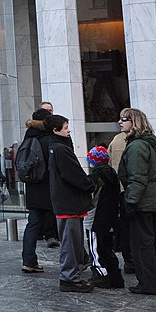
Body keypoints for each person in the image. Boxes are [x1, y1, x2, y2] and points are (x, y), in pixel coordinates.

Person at [117, 108, 156, 295]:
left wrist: (131, 201)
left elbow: (137, 176)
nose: (120, 122)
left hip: (145, 201)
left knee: (144, 244)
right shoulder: (146, 143)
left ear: (134, 121)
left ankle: (149, 283)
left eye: (124, 119)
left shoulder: (137, 146)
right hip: (154, 199)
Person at [46, 114, 94, 292]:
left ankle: (72, 274)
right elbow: (73, 174)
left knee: (73, 240)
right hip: (68, 202)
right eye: (66, 128)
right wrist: (90, 184)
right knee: (70, 241)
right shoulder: (59, 149)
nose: (69, 131)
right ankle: (69, 277)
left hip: (67, 201)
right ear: (56, 130)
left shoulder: (57, 147)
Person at [19, 107, 56, 273]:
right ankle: (81, 258)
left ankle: (28, 260)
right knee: (64, 222)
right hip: (48, 186)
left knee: (32, 223)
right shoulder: (48, 138)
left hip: (32, 186)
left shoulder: (28, 137)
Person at [85, 145, 124, 289]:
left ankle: (101, 273)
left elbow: (89, 194)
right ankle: (115, 275)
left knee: (94, 247)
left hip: (95, 216)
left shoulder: (95, 177)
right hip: (109, 216)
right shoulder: (112, 174)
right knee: (106, 247)